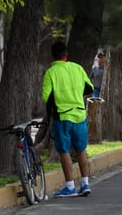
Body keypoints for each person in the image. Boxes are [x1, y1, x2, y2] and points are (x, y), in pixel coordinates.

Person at [42, 41, 94, 197]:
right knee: (81, 150)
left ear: (53, 56)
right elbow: (89, 88)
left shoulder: (51, 72)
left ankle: (70, 187)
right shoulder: (77, 68)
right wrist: (76, 95)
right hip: (79, 115)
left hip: (62, 117)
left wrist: (55, 106)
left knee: (64, 151)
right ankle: (85, 184)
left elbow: (46, 97)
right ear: (66, 55)